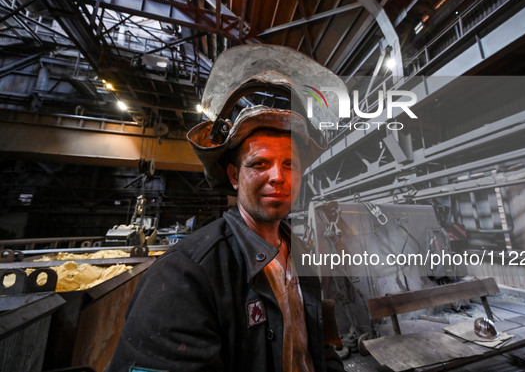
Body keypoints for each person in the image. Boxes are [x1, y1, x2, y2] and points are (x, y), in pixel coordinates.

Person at [106, 105, 345, 372]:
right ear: (233, 176)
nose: (278, 177)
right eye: (260, 164)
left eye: (290, 164)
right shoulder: (184, 274)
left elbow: (318, 343)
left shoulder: (300, 253)